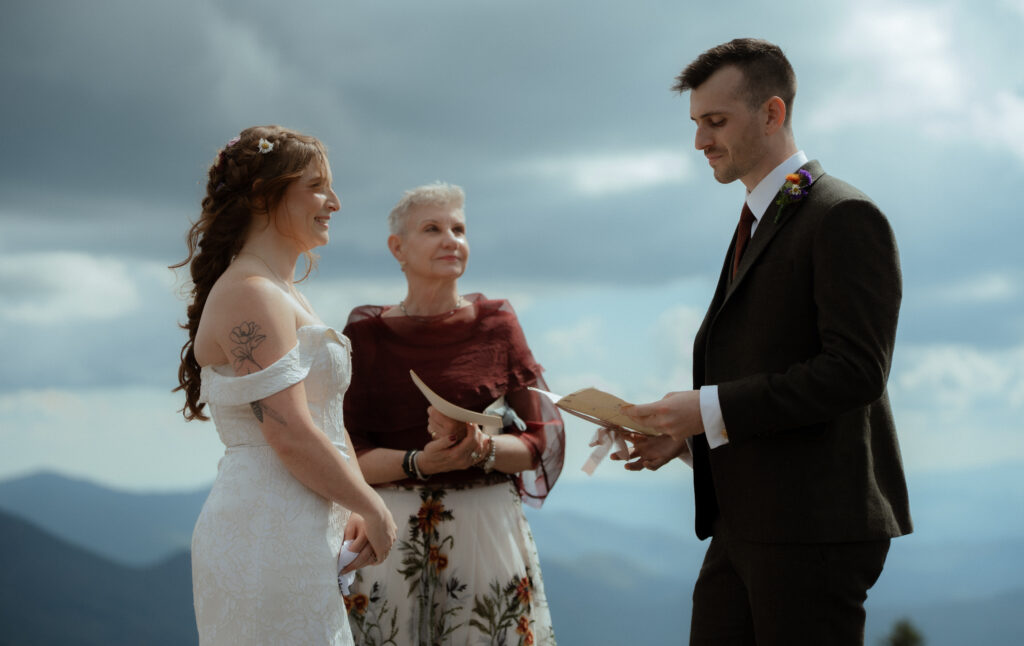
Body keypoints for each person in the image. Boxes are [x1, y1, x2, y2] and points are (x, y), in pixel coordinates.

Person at [615, 39, 913, 645]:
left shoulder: (843, 215)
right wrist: (691, 434)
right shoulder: (764, 216)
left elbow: (855, 371)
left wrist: (706, 409)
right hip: (746, 523)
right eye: (696, 123)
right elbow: (766, 364)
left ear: (772, 113)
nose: (700, 141)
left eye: (716, 121)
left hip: (812, 531)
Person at [174, 125, 397, 645]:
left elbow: (324, 420)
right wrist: (372, 505)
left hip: (302, 527)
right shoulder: (250, 293)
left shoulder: (282, 291)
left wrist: (350, 503)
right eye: (317, 187)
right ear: (262, 196)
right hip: (265, 529)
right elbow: (289, 431)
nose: (335, 203)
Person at [341, 182, 565, 645]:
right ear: (397, 248)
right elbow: (346, 453)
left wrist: (482, 449)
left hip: (485, 532)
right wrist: (418, 462)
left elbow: (539, 442)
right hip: (391, 534)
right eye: (432, 228)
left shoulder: (498, 323)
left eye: (459, 229)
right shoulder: (366, 334)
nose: (451, 240)